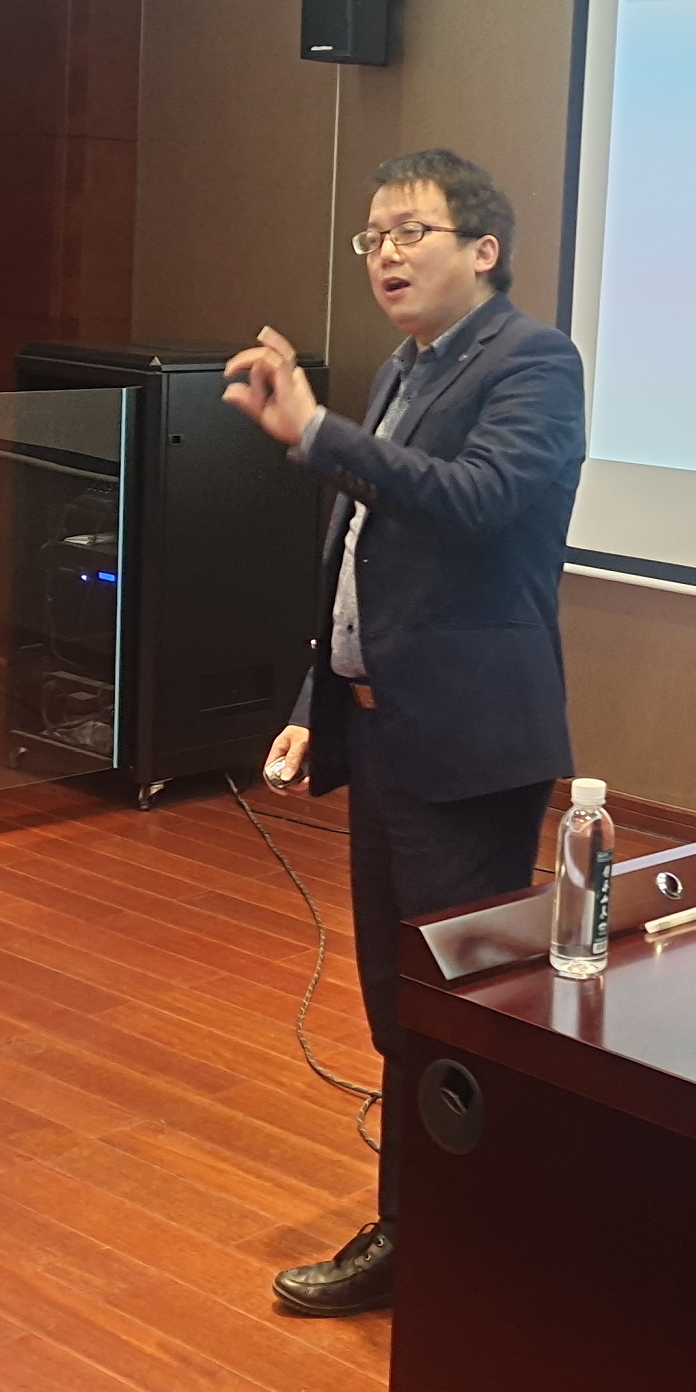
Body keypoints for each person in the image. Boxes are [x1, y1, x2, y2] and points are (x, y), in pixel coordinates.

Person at [221, 149, 585, 1317]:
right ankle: (433, 1227)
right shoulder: (403, 370)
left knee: (461, 1006)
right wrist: (311, 704)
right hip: (384, 734)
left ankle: (448, 1240)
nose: (384, 253)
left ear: (484, 249)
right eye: (372, 235)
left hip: (470, 744)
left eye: (409, 231)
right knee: (396, 998)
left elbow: (475, 500)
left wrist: (319, 432)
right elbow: (360, 564)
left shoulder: (534, 362)